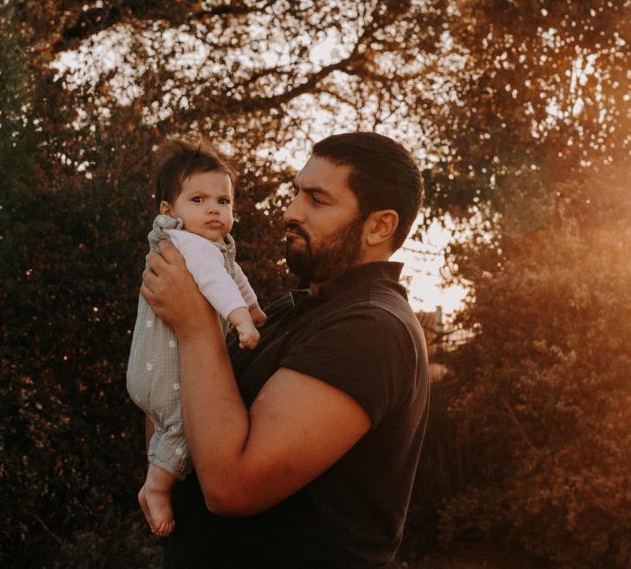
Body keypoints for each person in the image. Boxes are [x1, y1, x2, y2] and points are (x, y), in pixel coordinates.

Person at [141, 131, 430, 567]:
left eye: (317, 200)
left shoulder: (371, 329)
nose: (291, 213)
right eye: (296, 193)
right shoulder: (289, 312)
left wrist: (194, 327)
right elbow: (176, 423)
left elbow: (229, 488)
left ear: (378, 226)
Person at [127, 138, 267, 537]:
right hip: (162, 372)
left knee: (177, 425)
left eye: (223, 202)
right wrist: (243, 321)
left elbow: (234, 278)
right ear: (169, 211)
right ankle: (155, 488)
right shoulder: (189, 245)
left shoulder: (208, 246)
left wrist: (255, 310)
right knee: (190, 426)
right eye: (199, 200)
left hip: (152, 368)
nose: (213, 209)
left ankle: (156, 477)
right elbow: (215, 282)